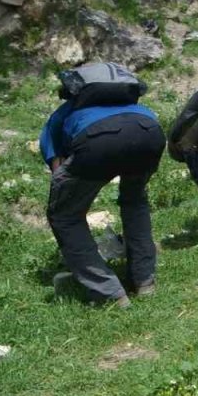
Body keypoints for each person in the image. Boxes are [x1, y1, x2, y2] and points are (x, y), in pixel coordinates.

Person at [40, 65, 165, 306]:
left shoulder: (64, 113)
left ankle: (111, 294)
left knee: (65, 216)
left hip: (97, 141)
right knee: (135, 201)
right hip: (149, 132)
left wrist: (73, 198)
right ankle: (144, 282)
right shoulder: (132, 105)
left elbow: (58, 169)